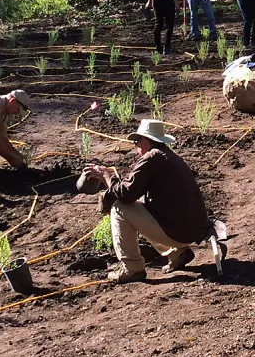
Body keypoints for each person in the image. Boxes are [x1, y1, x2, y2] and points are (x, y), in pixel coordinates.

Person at [84, 119, 210, 283]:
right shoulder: (168, 156)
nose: (136, 147)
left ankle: (132, 269)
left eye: (136, 142)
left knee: (119, 208)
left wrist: (106, 176)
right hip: (194, 229)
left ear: (145, 140)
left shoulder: (152, 158)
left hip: (180, 232)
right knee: (141, 206)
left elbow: (124, 195)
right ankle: (177, 253)